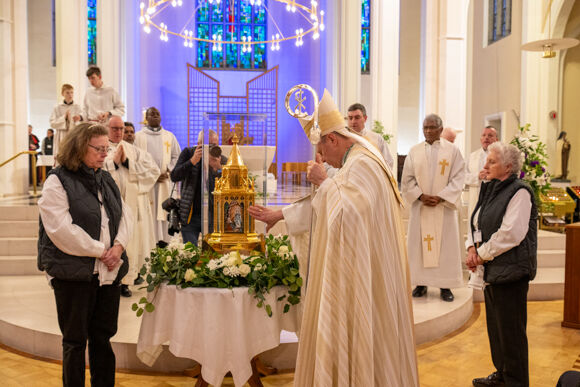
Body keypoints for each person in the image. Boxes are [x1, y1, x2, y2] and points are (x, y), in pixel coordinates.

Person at [250, 90, 418, 386]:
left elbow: (350, 215)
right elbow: (331, 203)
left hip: (364, 275)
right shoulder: (354, 161)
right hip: (356, 268)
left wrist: (323, 181)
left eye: (322, 150)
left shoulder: (362, 163)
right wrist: (281, 215)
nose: (322, 158)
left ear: (332, 139)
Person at [37, 123, 133, 386]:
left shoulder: (105, 178)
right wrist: (102, 251)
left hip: (107, 274)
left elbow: (125, 214)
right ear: (80, 147)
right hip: (73, 275)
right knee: (75, 342)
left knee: (102, 339)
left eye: (107, 148)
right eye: (99, 149)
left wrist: (119, 246)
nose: (105, 154)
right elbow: (60, 229)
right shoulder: (57, 180)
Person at [466, 142, 537, 387]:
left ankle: (516, 381)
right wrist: (471, 248)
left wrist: (481, 254)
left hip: (512, 272)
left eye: (492, 161)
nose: (485, 165)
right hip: (494, 271)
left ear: (508, 167)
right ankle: (503, 374)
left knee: (511, 334)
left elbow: (511, 233)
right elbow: (477, 221)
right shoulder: (491, 189)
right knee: (497, 331)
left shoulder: (520, 192)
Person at [401, 114, 465, 302]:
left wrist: (441, 197)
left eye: (431, 128)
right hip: (421, 207)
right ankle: (420, 284)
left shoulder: (452, 151)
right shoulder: (414, 151)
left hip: (443, 208)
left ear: (440, 129)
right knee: (419, 246)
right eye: (425, 128)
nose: (428, 131)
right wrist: (420, 196)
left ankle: (445, 286)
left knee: (445, 247)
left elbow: (458, 178)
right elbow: (407, 179)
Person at [104, 116, 159, 297]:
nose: (119, 132)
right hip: (109, 206)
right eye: (115, 129)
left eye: (122, 129)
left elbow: (153, 171)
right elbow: (97, 170)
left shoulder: (134, 151)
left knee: (131, 242)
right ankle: (111, 279)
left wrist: (128, 163)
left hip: (132, 205)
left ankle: (127, 280)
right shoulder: (101, 149)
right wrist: (113, 163)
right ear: (108, 128)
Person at [134, 107, 181, 245]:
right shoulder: (138, 137)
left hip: (165, 182)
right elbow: (135, 159)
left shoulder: (169, 136)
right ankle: (150, 243)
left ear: (161, 117)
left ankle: (166, 243)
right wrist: (152, 175)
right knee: (149, 213)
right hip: (146, 184)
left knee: (164, 212)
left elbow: (176, 156)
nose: (155, 116)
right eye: (151, 114)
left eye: (157, 114)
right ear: (146, 118)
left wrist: (168, 170)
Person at [170, 130, 226, 245]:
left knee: (212, 254)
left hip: (212, 215)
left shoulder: (220, 158)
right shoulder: (188, 153)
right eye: (207, 145)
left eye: (214, 145)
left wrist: (217, 168)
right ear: (198, 144)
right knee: (191, 253)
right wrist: (192, 161)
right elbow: (174, 176)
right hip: (190, 214)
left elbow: (227, 185)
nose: (210, 148)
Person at [346, 102, 395, 170]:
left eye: (357, 118)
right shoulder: (342, 138)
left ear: (365, 118)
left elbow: (388, 162)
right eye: (350, 118)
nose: (353, 121)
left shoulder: (377, 138)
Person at [466, 126, 498, 216]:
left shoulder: (500, 156)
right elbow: (463, 176)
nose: (486, 138)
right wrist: (477, 176)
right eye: (483, 135)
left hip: (493, 196)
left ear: (496, 139)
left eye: (490, 135)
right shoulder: (472, 156)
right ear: (480, 139)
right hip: (475, 197)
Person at [49, 84, 83, 155]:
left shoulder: (77, 107)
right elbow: (52, 123)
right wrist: (64, 118)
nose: (70, 95)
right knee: (62, 155)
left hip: (74, 135)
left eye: (72, 92)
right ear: (62, 94)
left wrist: (76, 119)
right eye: (67, 92)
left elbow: (82, 122)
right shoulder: (57, 107)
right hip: (61, 135)